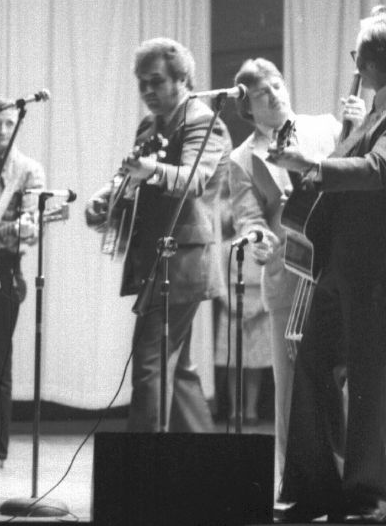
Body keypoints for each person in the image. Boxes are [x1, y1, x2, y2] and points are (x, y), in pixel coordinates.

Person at [269, 12, 386, 523]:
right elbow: (347, 171)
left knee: (369, 378)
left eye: (357, 57)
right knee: (313, 364)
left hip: (384, 263)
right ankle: (316, 491)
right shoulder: (378, 109)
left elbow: (378, 170)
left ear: (367, 62)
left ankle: (372, 502)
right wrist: (307, 171)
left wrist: (308, 165)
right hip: (347, 262)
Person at [85, 37, 231, 432]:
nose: (147, 91)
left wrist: (149, 170)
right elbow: (132, 177)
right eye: (142, 83)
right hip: (158, 258)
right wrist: (106, 198)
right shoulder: (150, 124)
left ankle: (144, 462)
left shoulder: (202, 121)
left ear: (182, 79)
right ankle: (198, 457)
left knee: (150, 364)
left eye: (156, 81)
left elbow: (195, 180)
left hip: (183, 262)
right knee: (175, 368)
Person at [227, 58, 364, 477]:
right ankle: (294, 482)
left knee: (344, 380)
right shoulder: (242, 158)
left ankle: (347, 479)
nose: (274, 94)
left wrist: (359, 127)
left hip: (338, 267)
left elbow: (360, 170)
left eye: (277, 84)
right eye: (261, 92)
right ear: (247, 107)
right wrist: (257, 239)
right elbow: (248, 217)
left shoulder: (328, 127)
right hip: (287, 275)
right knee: (289, 387)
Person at [0, 99, 45, 469]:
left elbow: (30, 228)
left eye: (8, 123)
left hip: (5, 270)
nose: (2, 130)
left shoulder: (28, 170)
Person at [213, 172, 270, 428]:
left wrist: (258, 307)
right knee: (234, 362)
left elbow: (271, 279)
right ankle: (235, 410)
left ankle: (251, 410)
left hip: (259, 305)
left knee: (254, 363)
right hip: (232, 306)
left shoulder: (264, 245)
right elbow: (220, 279)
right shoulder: (227, 247)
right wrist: (230, 305)